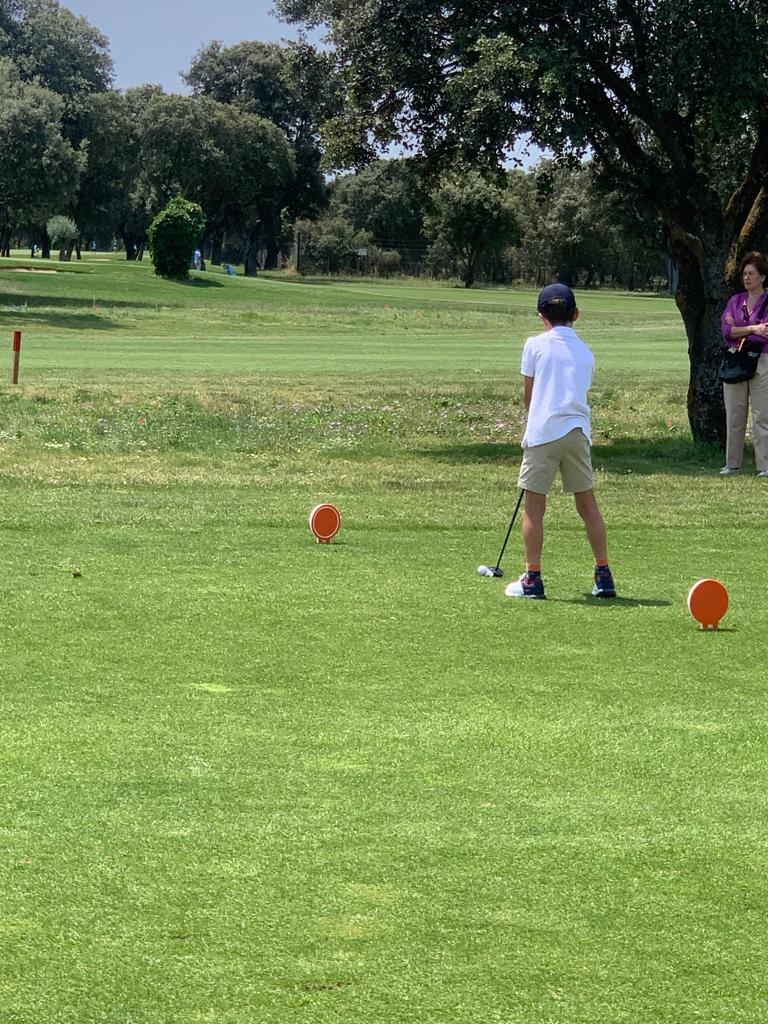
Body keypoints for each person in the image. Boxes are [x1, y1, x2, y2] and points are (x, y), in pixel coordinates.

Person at [505, 283, 616, 600]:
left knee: (535, 507)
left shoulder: (533, 345)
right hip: (578, 433)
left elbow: (530, 397)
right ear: (576, 314)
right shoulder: (586, 352)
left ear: (541, 316)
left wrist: (532, 429)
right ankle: (604, 575)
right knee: (587, 504)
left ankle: (533, 579)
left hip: (543, 434)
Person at [719, 252, 768, 476]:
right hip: (737, 359)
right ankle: (732, 464)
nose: (747, 278)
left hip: (763, 359)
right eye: (744, 274)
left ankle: (764, 466)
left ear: (763, 277)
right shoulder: (735, 301)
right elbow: (727, 330)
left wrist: (744, 331)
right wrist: (753, 329)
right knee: (735, 413)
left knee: (762, 415)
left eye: (751, 273)